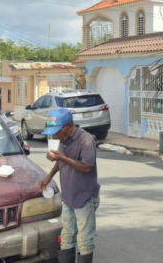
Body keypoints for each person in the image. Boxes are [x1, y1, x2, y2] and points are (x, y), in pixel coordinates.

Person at [38, 109, 100, 263]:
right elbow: (60, 162)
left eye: (57, 132)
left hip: (84, 197)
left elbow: (87, 168)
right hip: (68, 197)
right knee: (66, 235)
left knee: (84, 239)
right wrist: (48, 177)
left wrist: (63, 158)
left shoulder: (86, 140)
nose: (54, 136)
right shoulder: (62, 140)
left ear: (68, 127)